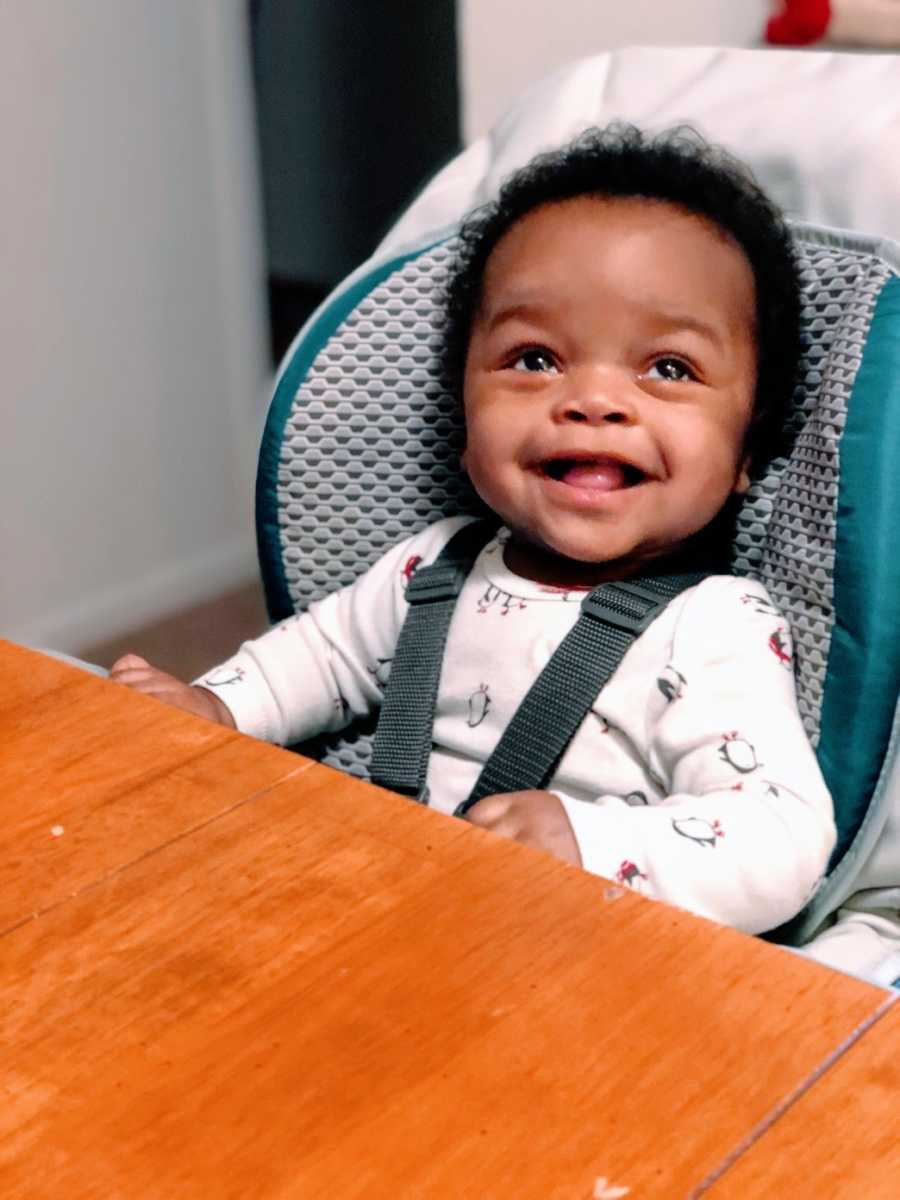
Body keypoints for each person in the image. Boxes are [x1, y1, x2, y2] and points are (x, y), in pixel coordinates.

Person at [112, 125, 835, 936]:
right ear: (464, 415)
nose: (594, 400)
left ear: (747, 449)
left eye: (667, 368)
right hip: (391, 908)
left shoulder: (710, 628)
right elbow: (318, 661)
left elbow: (781, 837)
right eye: (534, 358)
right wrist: (214, 709)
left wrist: (592, 842)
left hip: (580, 950)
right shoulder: (434, 568)